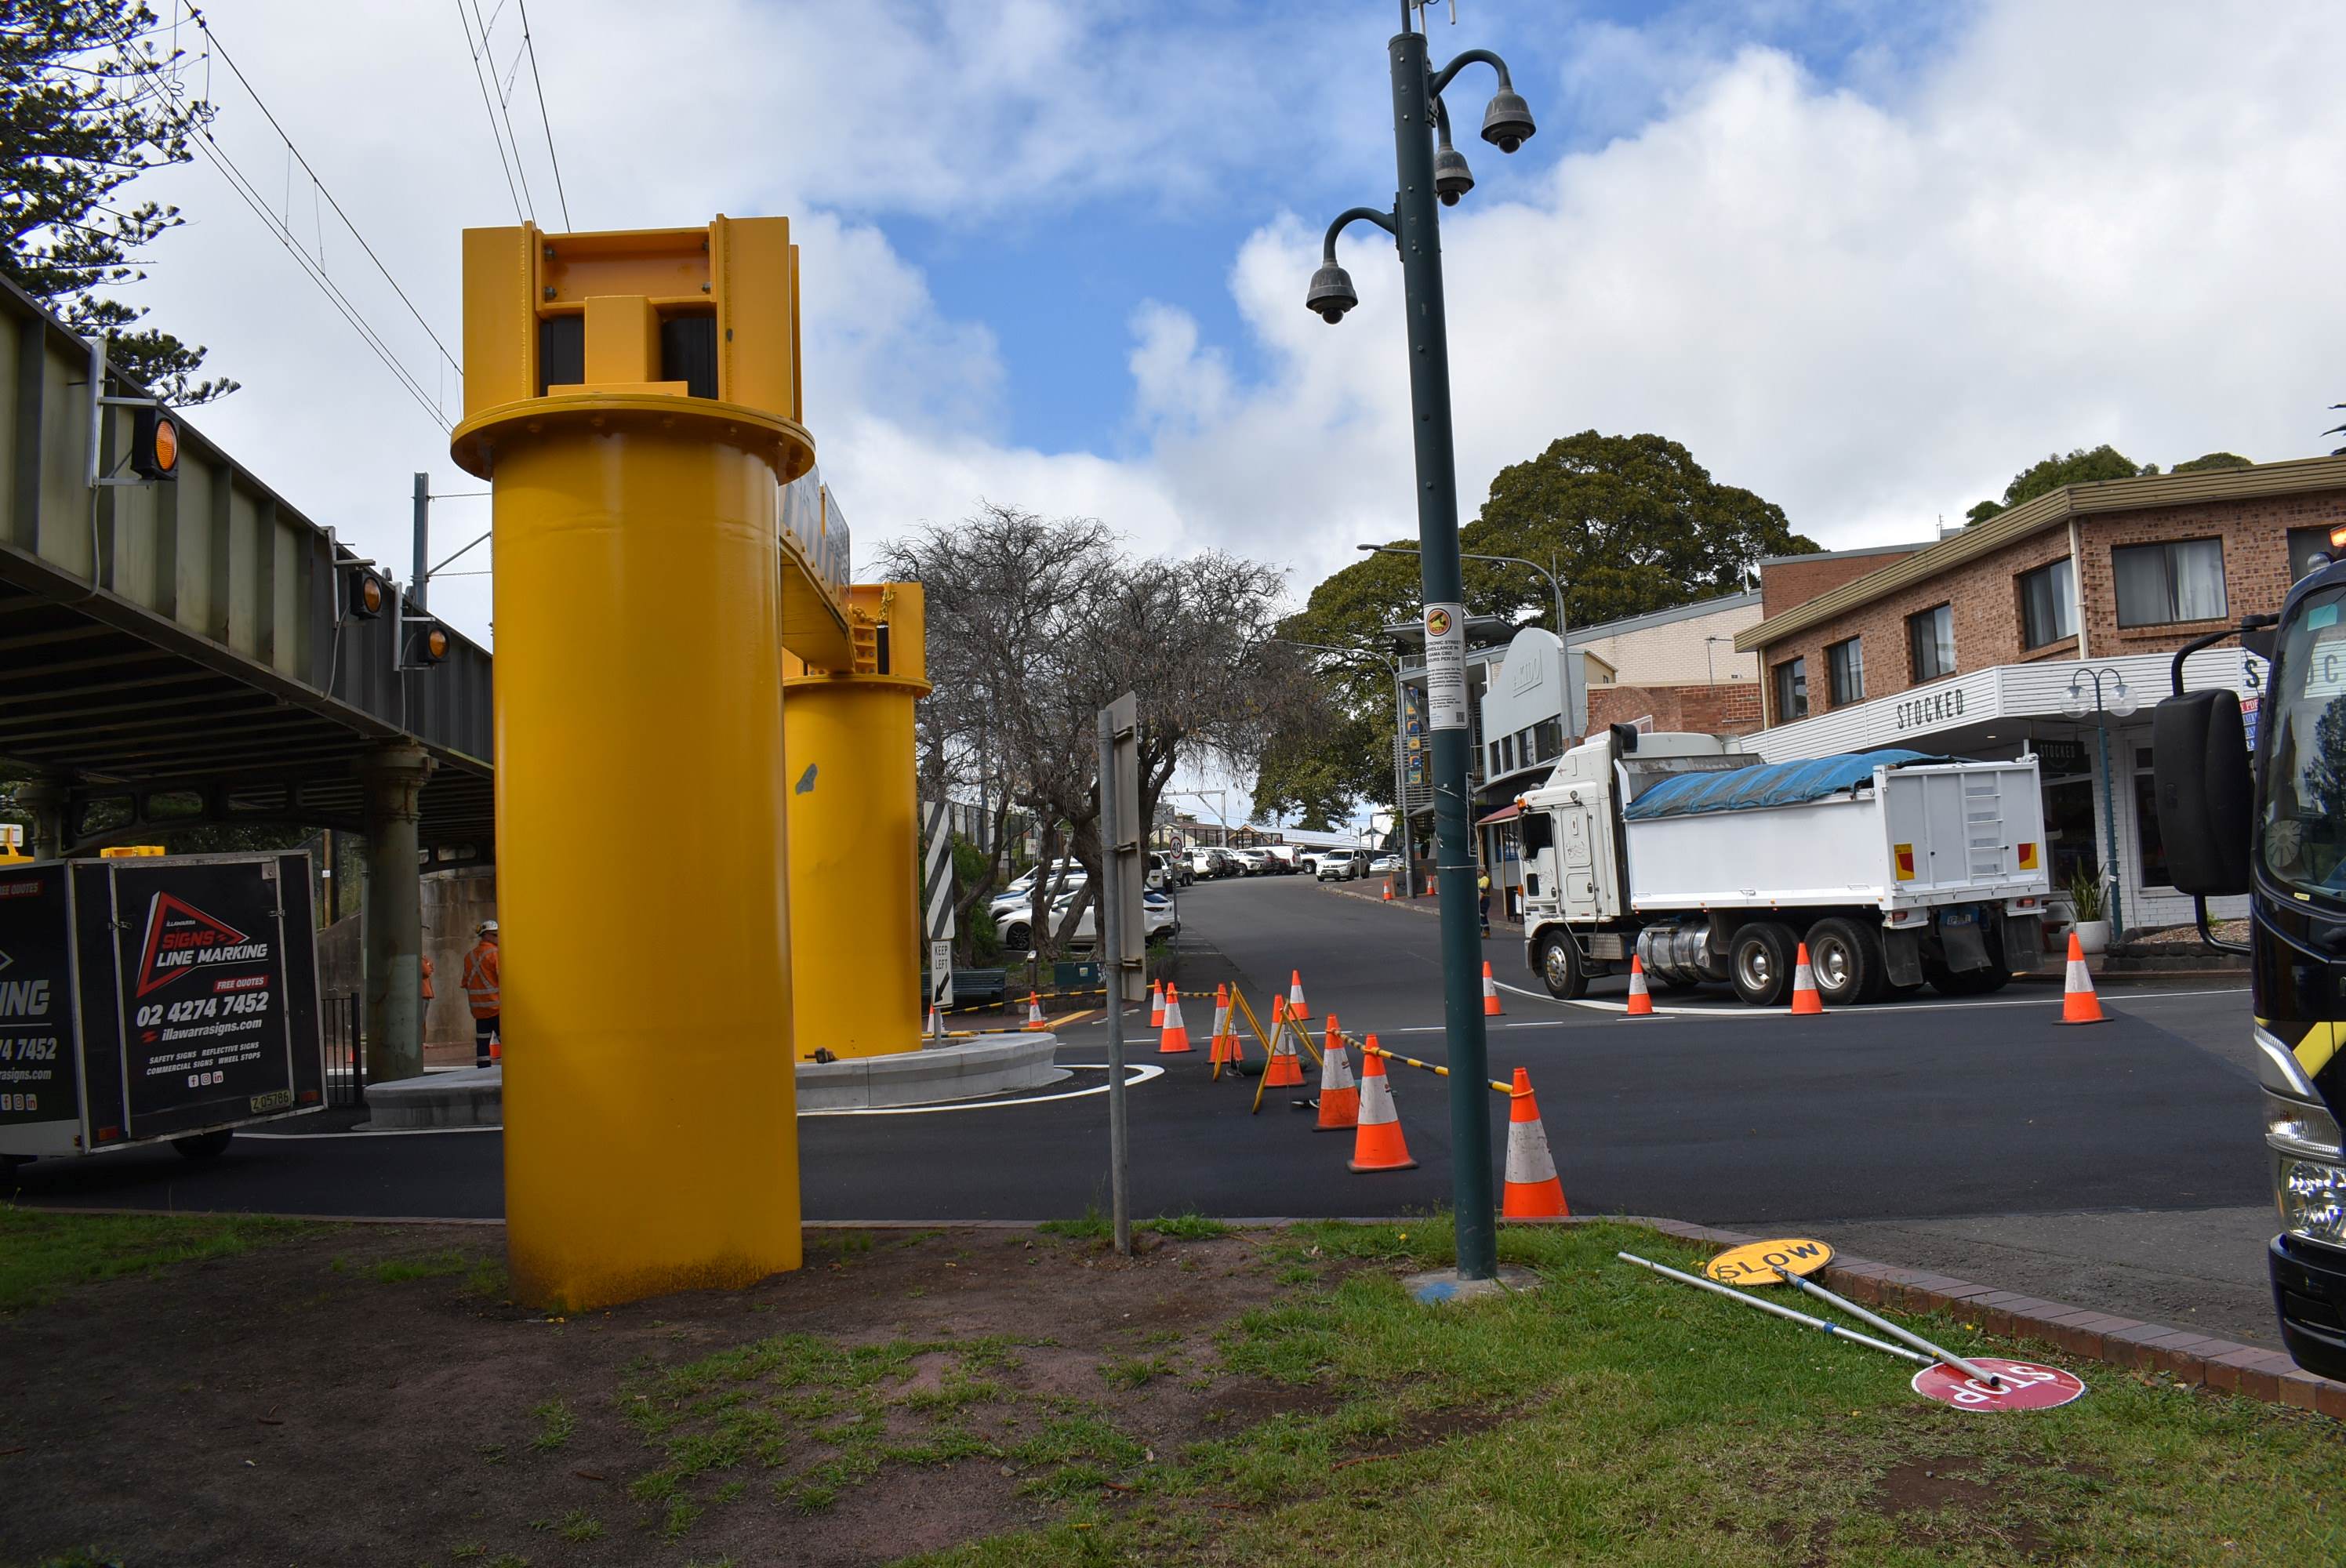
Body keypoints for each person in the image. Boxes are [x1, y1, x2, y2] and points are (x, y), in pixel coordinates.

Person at [461, 920, 501, 1066]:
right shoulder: (496, 954)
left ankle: (482, 1071)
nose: (498, 938)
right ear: (486, 936)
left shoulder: (469, 956)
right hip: (497, 1008)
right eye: (495, 935)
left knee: (482, 1045)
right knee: (508, 1045)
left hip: (479, 1010)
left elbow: (466, 983)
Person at [1477, 871, 1492, 938]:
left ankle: (1478, 932)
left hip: (1484, 899)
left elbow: (1482, 892)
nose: (1478, 872)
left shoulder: (1485, 879)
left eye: (1479, 871)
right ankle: (1487, 933)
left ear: (1483, 872)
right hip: (1482, 899)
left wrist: (1478, 901)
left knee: (1480, 916)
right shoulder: (1479, 879)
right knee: (1483, 917)